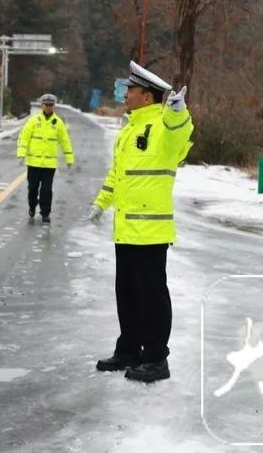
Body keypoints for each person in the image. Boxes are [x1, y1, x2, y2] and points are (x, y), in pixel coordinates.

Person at [89, 60, 194, 383]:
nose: (125, 94)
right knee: (128, 294)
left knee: (151, 297)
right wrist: (101, 203)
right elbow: (117, 176)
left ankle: (156, 359)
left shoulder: (163, 126)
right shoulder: (129, 129)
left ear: (147, 96)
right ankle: (129, 350)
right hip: (126, 230)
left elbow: (180, 136)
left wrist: (178, 112)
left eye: (130, 90)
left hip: (150, 231)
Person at [16, 93, 75, 224]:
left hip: (49, 164)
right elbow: (24, 137)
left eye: (51, 105)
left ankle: (45, 213)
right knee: (32, 189)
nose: (48, 107)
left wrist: (69, 158)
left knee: (46, 190)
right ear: (42, 105)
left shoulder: (58, 123)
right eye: (46, 105)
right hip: (33, 163)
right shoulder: (33, 121)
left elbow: (65, 141)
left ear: (53, 106)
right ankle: (32, 206)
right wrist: (21, 154)